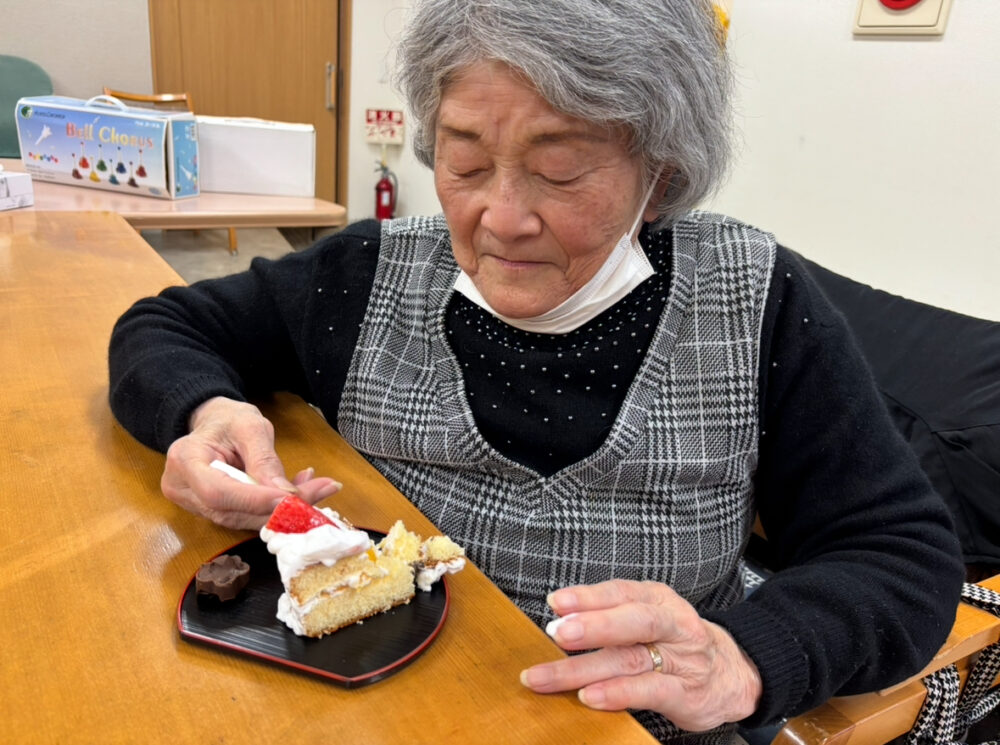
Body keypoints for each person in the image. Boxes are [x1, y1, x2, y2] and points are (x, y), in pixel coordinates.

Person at [108, 1, 964, 742]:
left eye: (560, 166)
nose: (501, 217)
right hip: (362, 709)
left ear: (660, 170)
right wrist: (204, 409)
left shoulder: (751, 300)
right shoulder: (367, 275)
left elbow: (902, 556)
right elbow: (166, 324)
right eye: (466, 159)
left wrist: (744, 659)